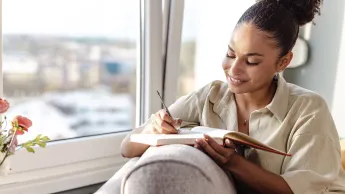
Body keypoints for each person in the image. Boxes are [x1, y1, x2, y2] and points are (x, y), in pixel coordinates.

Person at [120, 0, 345, 193]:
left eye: (252, 61)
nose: (234, 70)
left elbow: (295, 190)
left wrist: (234, 163)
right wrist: (155, 129)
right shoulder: (210, 97)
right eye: (230, 54)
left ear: (283, 62)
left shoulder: (309, 109)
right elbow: (127, 147)